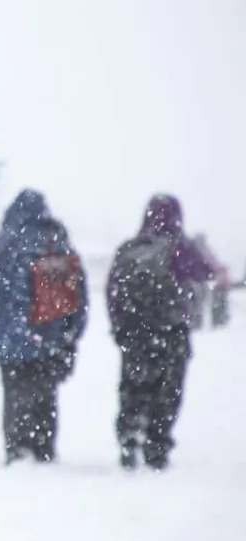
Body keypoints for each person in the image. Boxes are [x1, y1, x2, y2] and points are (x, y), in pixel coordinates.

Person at [0, 190, 88, 465]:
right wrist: (73, 331)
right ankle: (43, 446)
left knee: (15, 391)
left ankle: (17, 446)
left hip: (11, 337)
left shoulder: (0, 244)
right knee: (46, 393)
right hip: (51, 335)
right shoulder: (58, 242)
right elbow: (78, 293)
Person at [107, 194, 214, 470]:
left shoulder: (128, 249)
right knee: (168, 389)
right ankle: (156, 443)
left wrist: (119, 326)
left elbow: (113, 290)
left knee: (133, 385)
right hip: (171, 330)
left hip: (134, 332)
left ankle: (130, 431)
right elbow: (206, 272)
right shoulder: (180, 247)